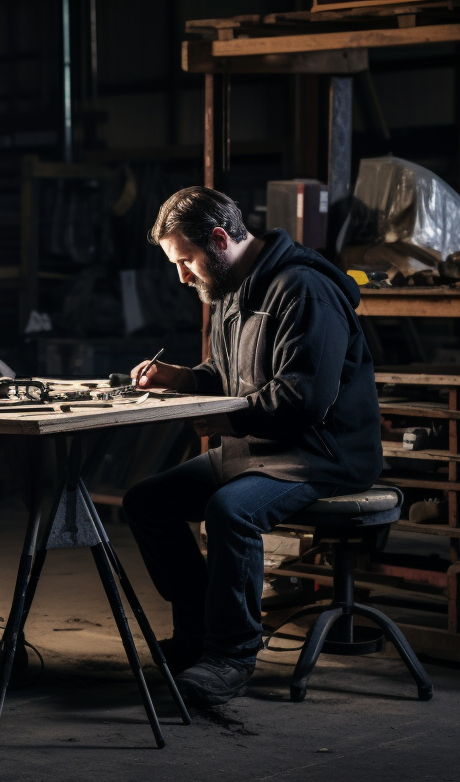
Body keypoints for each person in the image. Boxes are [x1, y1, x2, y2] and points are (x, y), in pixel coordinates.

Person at [123, 186, 382, 708]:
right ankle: (197, 633)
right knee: (146, 503)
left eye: (186, 261)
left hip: (318, 453)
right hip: (257, 449)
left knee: (230, 512)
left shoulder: (302, 289)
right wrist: (183, 380)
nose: (182, 276)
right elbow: (226, 376)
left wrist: (216, 415)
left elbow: (302, 400)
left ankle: (230, 656)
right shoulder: (228, 292)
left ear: (219, 240)